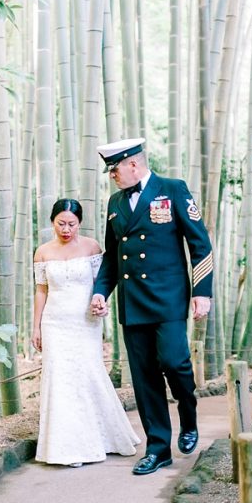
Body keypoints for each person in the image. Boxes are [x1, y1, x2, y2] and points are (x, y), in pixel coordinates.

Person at [90, 138, 213, 476]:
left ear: (133, 164)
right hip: (133, 303)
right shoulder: (115, 203)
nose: (112, 176)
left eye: (115, 169)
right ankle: (158, 448)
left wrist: (202, 292)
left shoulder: (172, 189)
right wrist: (101, 291)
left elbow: (200, 244)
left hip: (169, 298)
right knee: (145, 380)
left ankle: (188, 417)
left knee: (175, 363)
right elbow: (112, 258)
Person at [32, 198, 140, 468]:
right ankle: (66, 447)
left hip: (85, 320)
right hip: (54, 322)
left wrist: (101, 304)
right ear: (52, 221)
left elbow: (102, 282)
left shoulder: (92, 247)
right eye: (61, 223)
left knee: (87, 373)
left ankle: (102, 439)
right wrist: (35, 327)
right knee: (59, 378)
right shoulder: (43, 252)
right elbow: (41, 290)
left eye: (72, 224)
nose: (66, 229)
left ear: (80, 223)